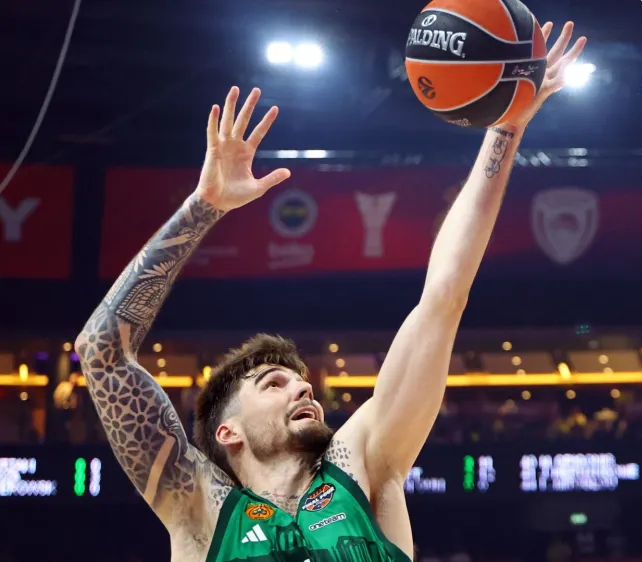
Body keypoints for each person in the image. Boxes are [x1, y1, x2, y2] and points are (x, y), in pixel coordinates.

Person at [74, 22, 586, 562]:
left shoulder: (364, 463)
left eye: (301, 382)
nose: (304, 390)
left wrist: (505, 129)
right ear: (227, 432)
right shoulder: (199, 507)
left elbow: (444, 295)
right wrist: (204, 206)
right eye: (275, 383)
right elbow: (101, 352)